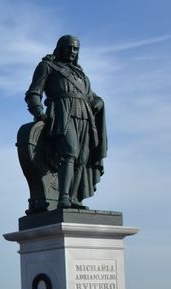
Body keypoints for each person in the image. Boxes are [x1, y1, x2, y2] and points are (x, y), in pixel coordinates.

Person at [25, 35, 107, 209]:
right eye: (69, 47)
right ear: (60, 47)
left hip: (85, 116)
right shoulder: (47, 66)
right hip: (62, 113)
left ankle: (74, 198)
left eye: (75, 49)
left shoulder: (81, 75)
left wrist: (99, 101)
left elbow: (91, 96)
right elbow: (33, 93)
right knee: (69, 151)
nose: (72, 51)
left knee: (82, 158)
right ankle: (63, 197)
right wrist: (39, 112)